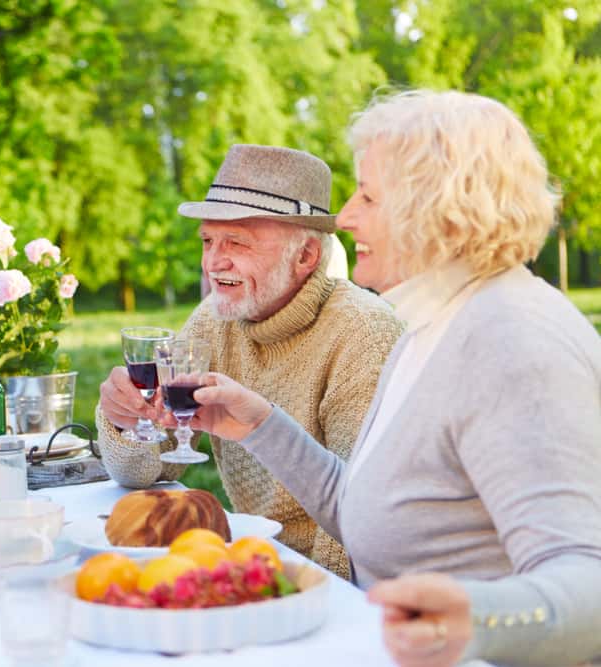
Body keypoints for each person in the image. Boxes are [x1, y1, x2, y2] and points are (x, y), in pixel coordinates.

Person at [191, 91, 601, 667]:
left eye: (369, 195)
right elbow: (364, 510)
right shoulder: (432, 322)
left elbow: (590, 588)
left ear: (437, 207)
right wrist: (259, 425)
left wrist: (475, 619)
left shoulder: (512, 342)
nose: (346, 216)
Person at [97, 145, 404, 578]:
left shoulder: (363, 334)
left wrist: (305, 596)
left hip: (318, 586)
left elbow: (357, 518)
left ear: (306, 257)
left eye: (236, 242)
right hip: (249, 563)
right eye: (208, 240)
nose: (212, 262)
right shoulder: (216, 319)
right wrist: (127, 422)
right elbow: (150, 469)